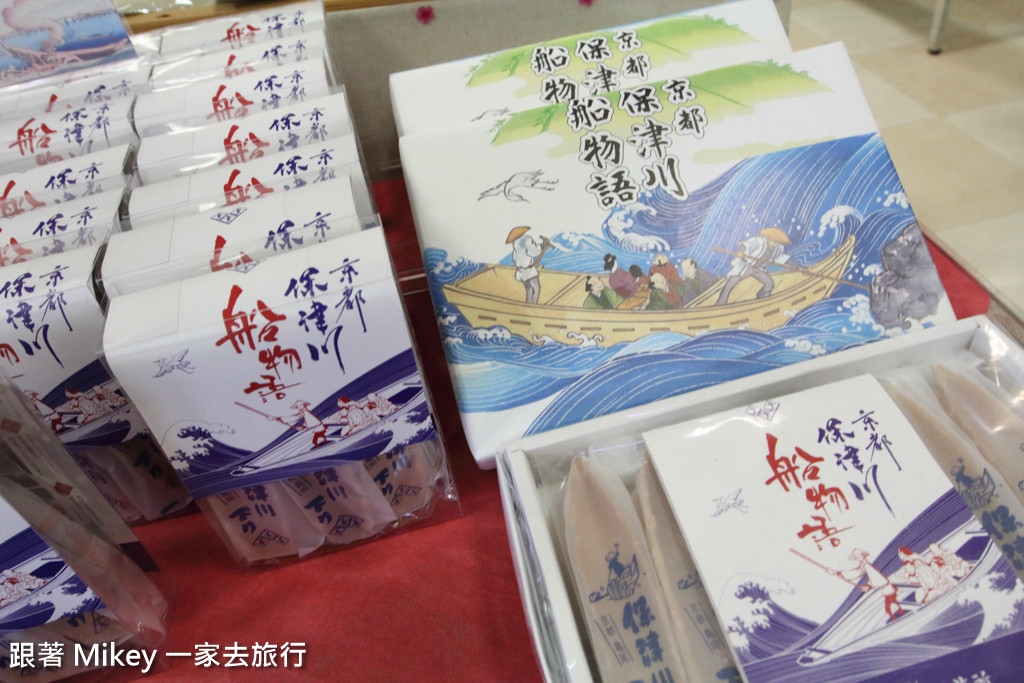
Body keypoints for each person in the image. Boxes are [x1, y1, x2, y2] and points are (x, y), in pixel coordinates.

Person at [716, 227, 791, 305]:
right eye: (774, 241)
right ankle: (720, 304)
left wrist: (795, 266)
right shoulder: (758, 241)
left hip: (758, 269)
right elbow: (745, 244)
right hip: (745, 265)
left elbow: (782, 258)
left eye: (777, 242)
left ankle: (762, 298)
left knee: (769, 283)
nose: (775, 244)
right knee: (730, 284)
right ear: (768, 238)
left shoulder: (778, 248)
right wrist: (741, 252)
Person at [832, 548, 905, 621]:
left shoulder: (865, 566)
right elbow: (870, 578)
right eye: (855, 557)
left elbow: (857, 574)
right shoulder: (866, 566)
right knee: (891, 608)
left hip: (886, 588)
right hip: (886, 588)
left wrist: (841, 574)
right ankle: (900, 617)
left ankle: (899, 618)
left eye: (856, 557)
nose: (855, 559)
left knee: (890, 609)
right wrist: (867, 586)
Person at [512, 230, 550, 304]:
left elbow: (527, 250)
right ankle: (533, 305)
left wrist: (541, 245)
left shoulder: (516, 242)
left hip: (520, 270)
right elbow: (534, 251)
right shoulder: (527, 239)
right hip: (528, 270)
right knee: (536, 288)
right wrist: (542, 245)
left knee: (529, 288)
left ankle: (529, 304)